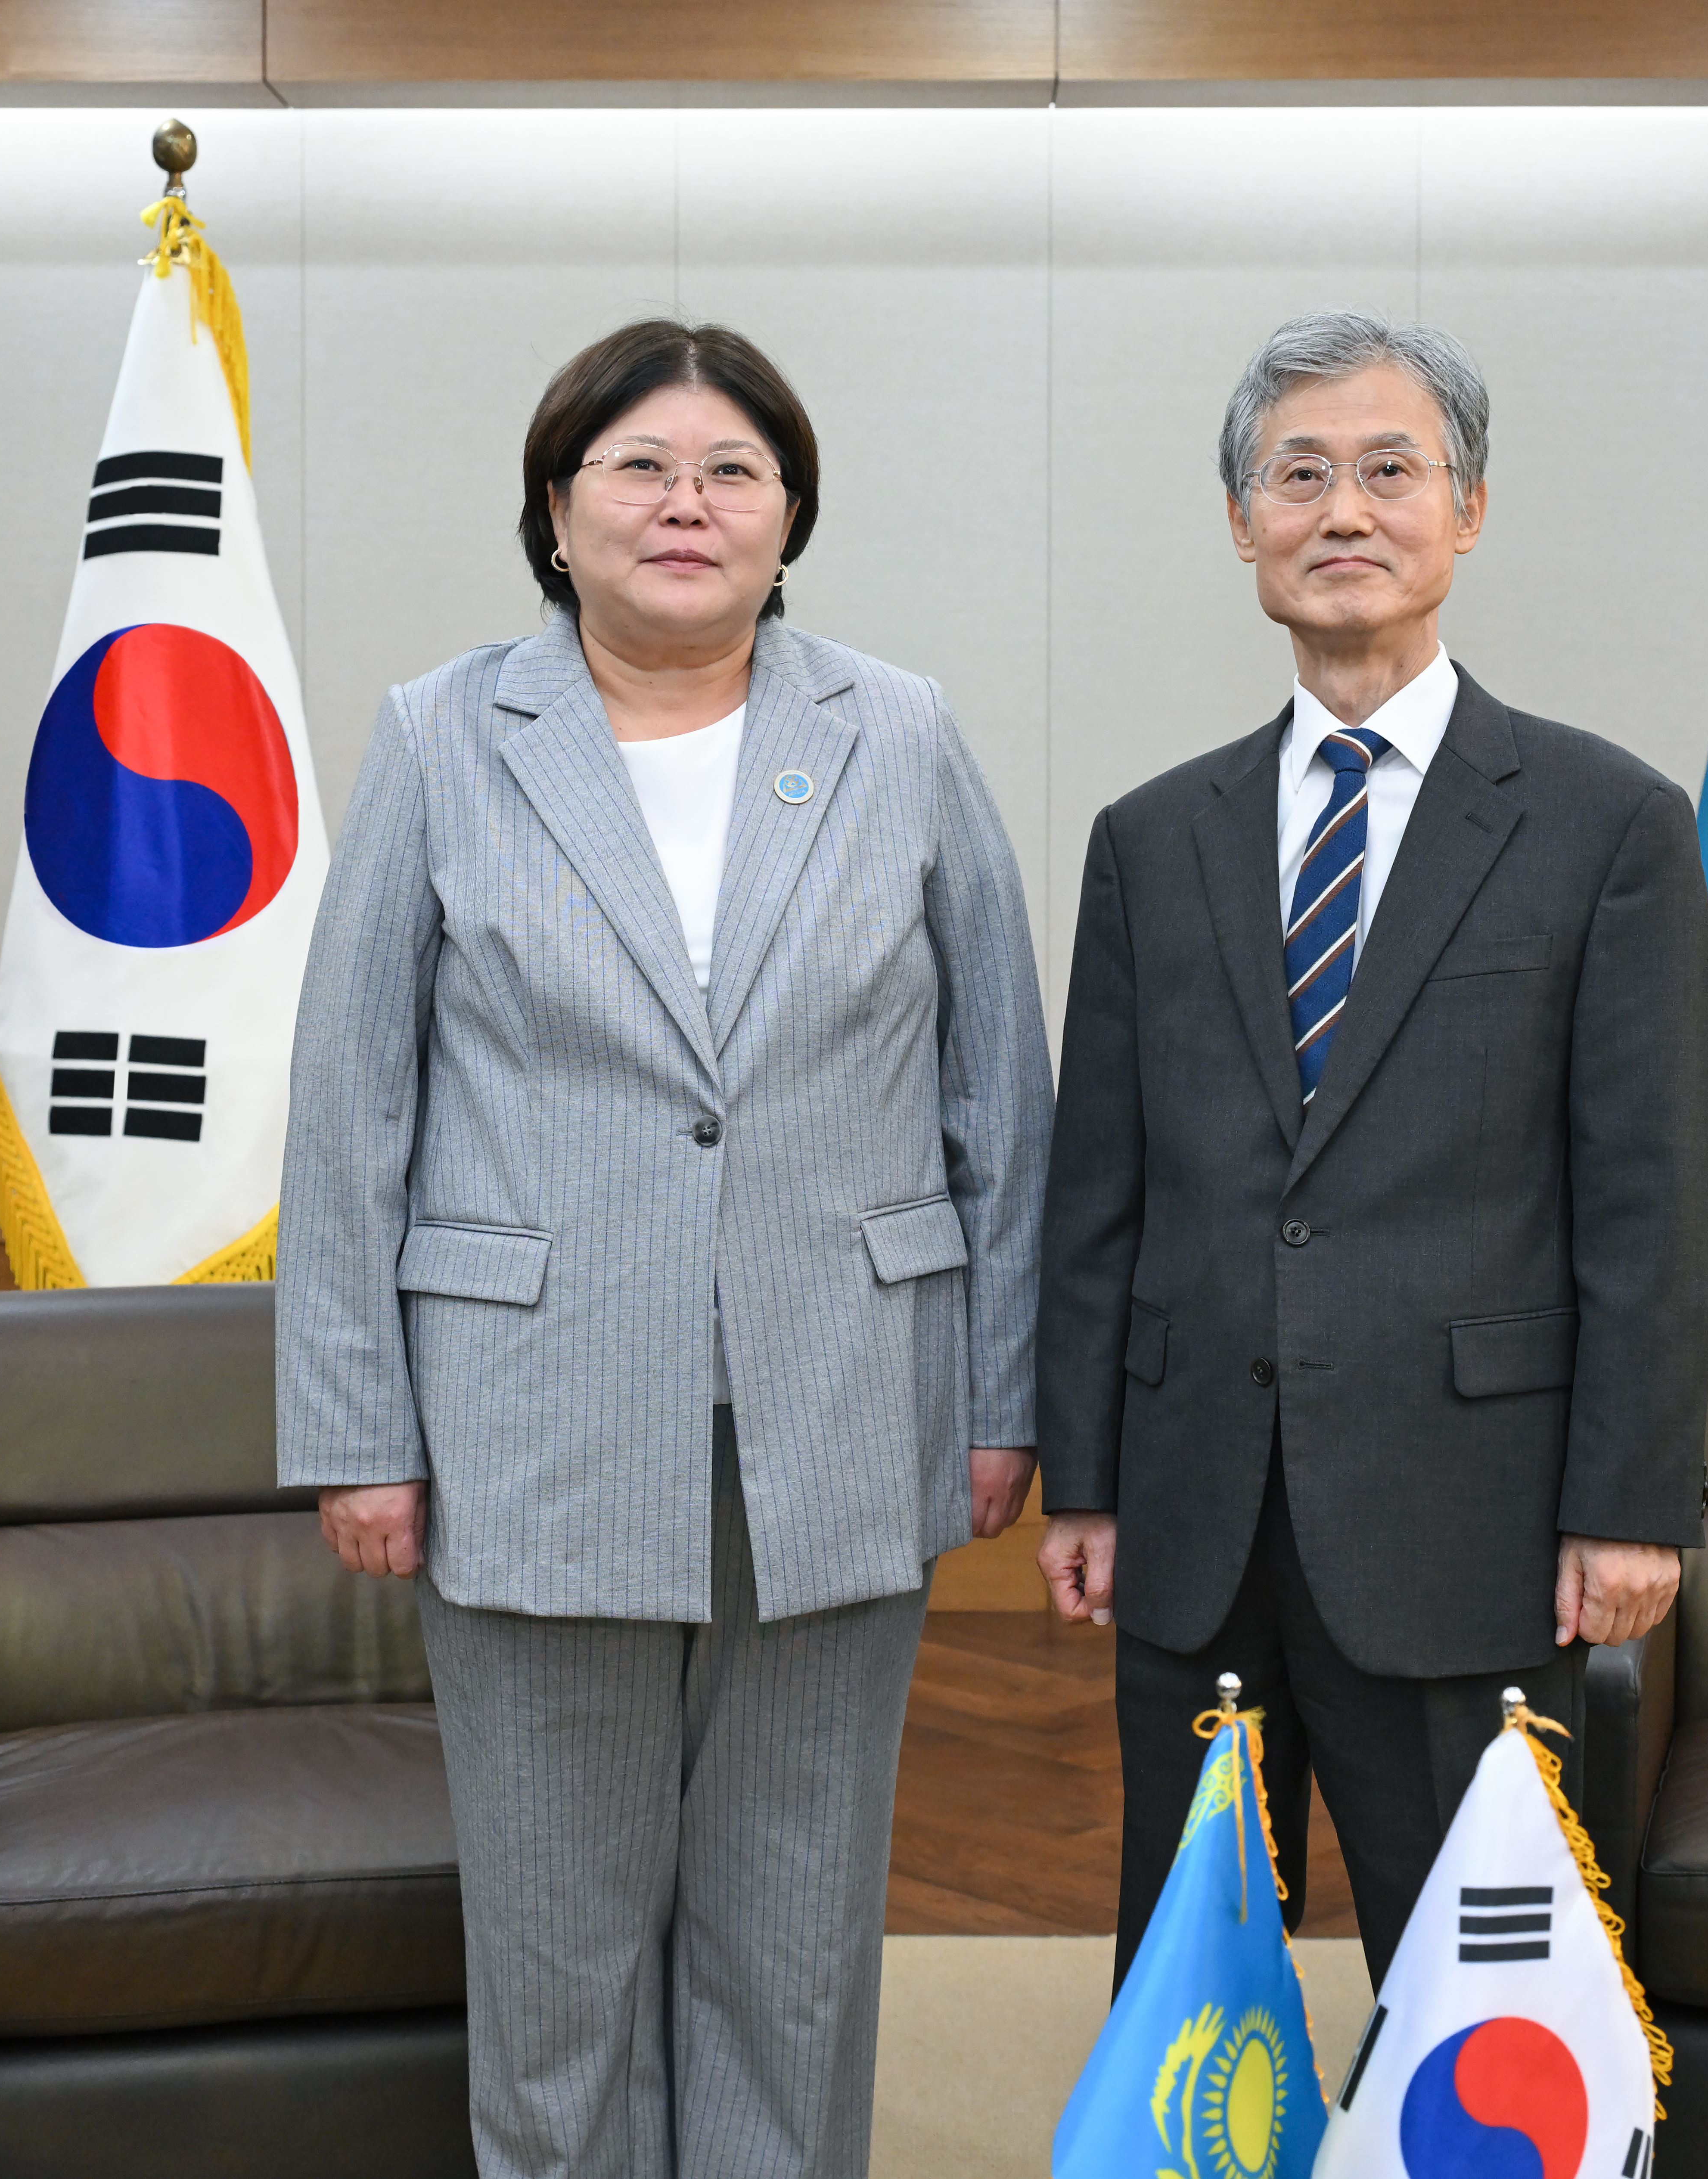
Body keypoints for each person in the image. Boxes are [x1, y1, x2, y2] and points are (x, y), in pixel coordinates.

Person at [276, 317, 1050, 2179]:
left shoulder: (899, 731)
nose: (684, 504)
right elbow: (346, 1105)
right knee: (555, 1959)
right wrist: (353, 1428)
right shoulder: (442, 734)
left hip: (846, 1408)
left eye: (731, 471)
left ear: (790, 517)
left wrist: (1003, 1391)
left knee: (791, 1949)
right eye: (637, 467)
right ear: (557, 510)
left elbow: (1000, 1095)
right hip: (525, 1418)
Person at [1033, 311, 1708, 1987]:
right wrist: (1089, 1472)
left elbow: (1644, 1202)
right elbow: (1096, 1191)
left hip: (1468, 1524)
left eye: (1388, 471)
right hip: (1196, 1522)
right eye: (1299, 474)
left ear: (1464, 513)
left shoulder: (1603, 825)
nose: (1342, 510)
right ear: (1241, 521)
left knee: (1475, 2004)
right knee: (1193, 1999)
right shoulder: (1150, 838)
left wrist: (1624, 1504)